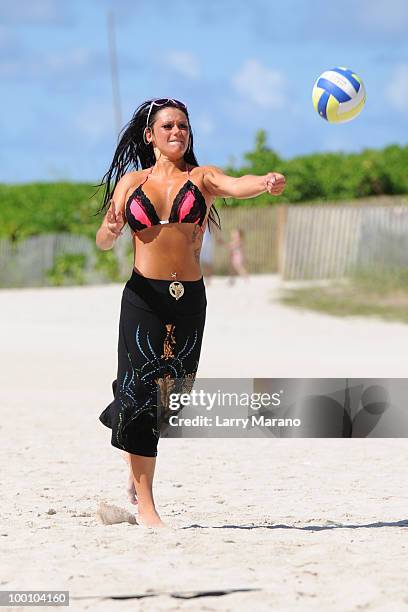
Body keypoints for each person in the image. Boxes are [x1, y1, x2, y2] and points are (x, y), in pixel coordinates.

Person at [95, 98, 286, 527]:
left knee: (170, 399)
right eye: (167, 126)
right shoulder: (131, 183)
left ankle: (133, 460)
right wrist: (109, 228)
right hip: (143, 296)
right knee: (140, 393)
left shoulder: (202, 178)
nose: (177, 132)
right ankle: (146, 505)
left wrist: (266, 181)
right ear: (150, 135)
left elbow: (239, 184)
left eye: (183, 125)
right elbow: (104, 240)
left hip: (189, 299)